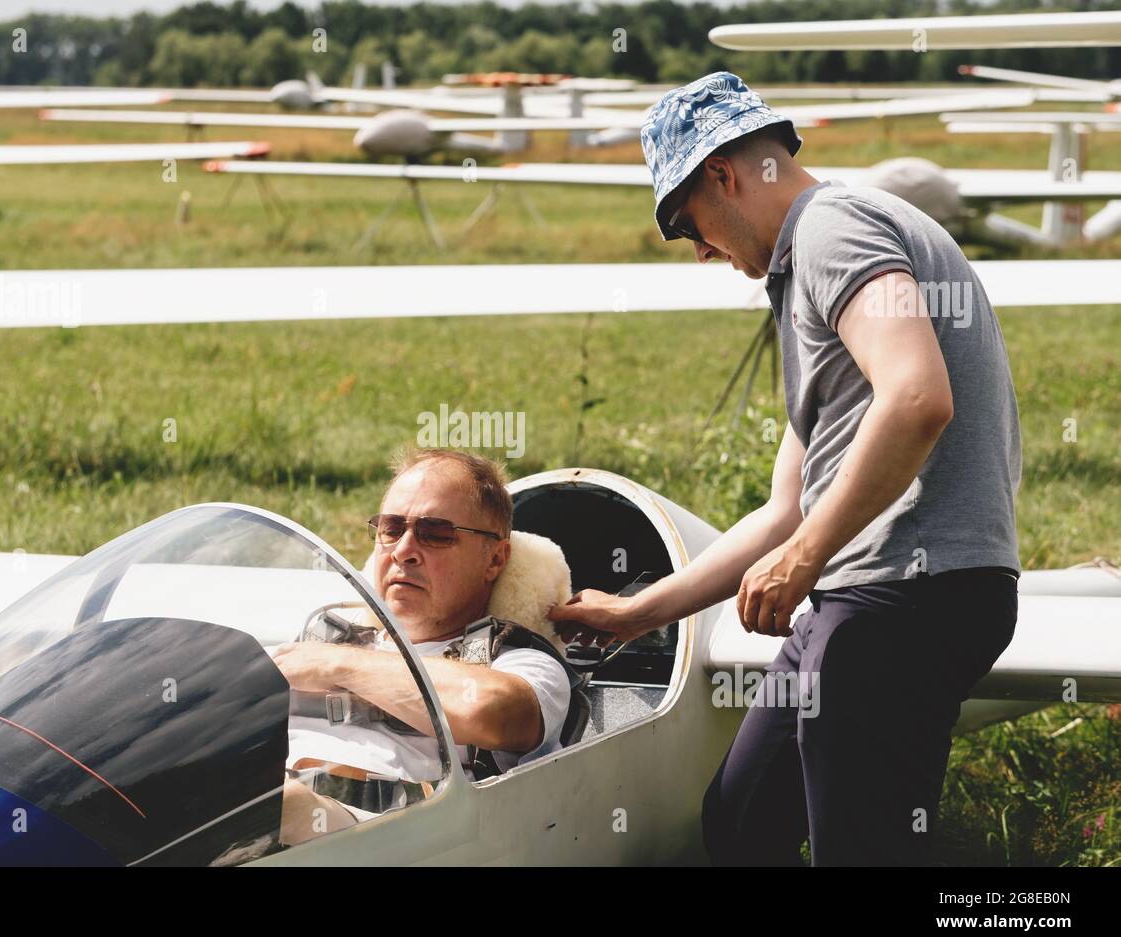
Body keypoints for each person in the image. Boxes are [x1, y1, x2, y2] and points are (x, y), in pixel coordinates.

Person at [549, 72, 1021, 866]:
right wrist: (638, 614)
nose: (700, 251)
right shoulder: (812, 260)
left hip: (908, 598)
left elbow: (915, 399)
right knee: (742, 823)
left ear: (723, 176)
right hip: (860, 597)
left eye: (686, 223)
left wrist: (802, 563)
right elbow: (785, 511)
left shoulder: (835, 228)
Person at [274, 448, 573, 845]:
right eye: (392, 529)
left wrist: (336, 666)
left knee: (283, 807)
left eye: (435, 533)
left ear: (495, 560)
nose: (403, 551)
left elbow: (488, 710)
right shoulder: (325, 636)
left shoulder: (520, 662)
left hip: (395, 841)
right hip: (261, 810)